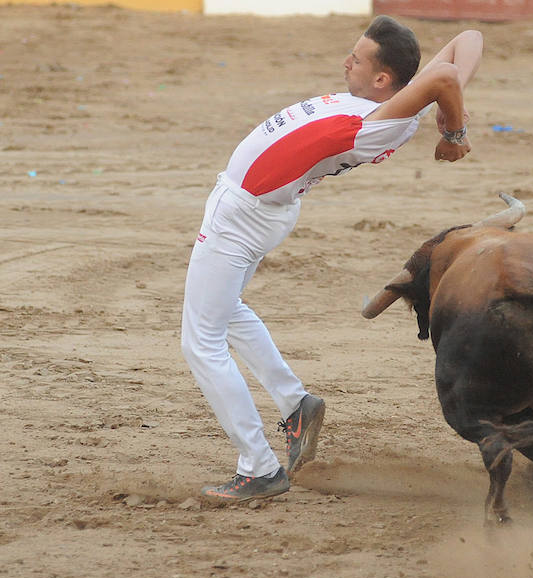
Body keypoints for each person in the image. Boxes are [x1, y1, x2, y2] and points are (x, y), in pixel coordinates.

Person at [181, 15, 483, 502]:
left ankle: (258, 467)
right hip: (266, 208)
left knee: (200, 342)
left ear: (383, 80)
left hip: (241, 215)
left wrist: (454, 130)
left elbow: (445, 78)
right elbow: (469, 40)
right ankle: (295, 404)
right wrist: (450, 113)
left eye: (358, 58)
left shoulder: (372, 123)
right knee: (225, 310)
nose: (346, 62)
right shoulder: (397, 104)